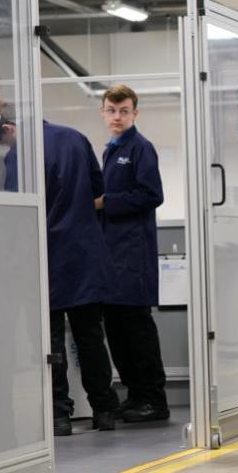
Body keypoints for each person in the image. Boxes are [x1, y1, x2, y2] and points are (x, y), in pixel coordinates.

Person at [42, 121, 123, 435]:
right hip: (83, 254)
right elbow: (97, 186)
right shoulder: (76, 137)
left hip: (47, 254)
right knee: (90, 338)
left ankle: (59, 415)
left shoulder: (22, 149)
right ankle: (104, 410)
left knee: (52, 343)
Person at [95, 84, 169, 423]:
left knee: (136, 328)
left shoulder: (140, 148)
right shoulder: (110, 149)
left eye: (124, 111)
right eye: (112, 110)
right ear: (103, 112)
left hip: (133, 254)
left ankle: (154, 399)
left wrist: (107, 203)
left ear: (135, 113)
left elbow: (152, 194)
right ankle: (135, 394)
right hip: (111, 254)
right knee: (116, 328)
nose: (117, 117)